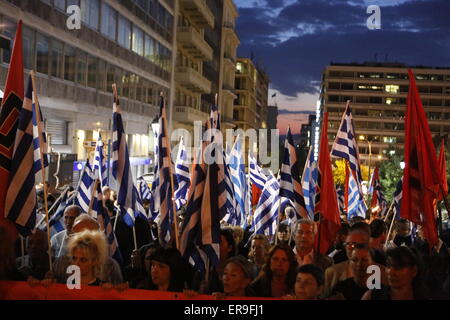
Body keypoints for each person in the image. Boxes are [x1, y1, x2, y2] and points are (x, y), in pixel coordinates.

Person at [50, 214, 124, 285]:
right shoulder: (61, 263)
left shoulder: (110, 267)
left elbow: (118, 294)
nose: (78, 240)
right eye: (73, 235)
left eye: (85, 236)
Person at [362, 246, 428, 300]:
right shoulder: (372, 296)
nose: (390, 271)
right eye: (388, 265)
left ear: (414, 270)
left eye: (398, 267)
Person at [323, 223, 370, 297]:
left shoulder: (382, 273)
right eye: (349, 244)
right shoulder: (332, 273)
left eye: (359, 245)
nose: (354, 248)